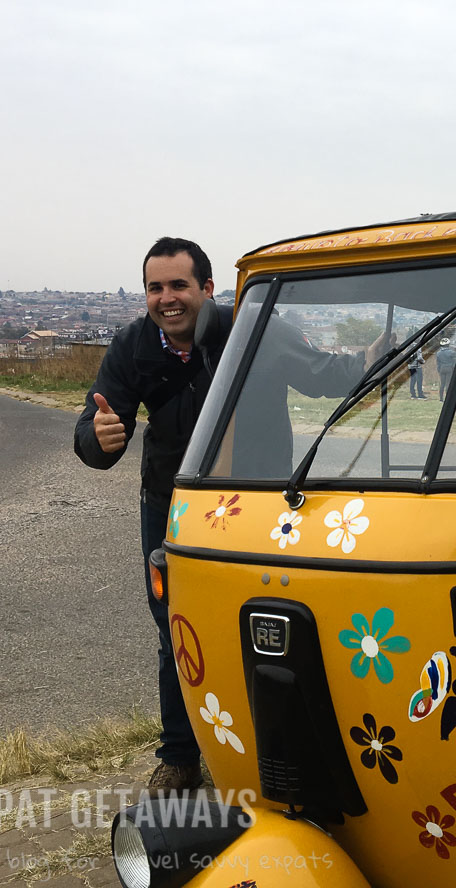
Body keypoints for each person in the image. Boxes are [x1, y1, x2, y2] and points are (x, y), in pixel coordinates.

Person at [74, 237, 384, 793]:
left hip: (260, 500)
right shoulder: (133, 346)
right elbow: (96, 429)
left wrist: (379, 355)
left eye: (178, 286)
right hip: (173, 505)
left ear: (208, 289)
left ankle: (275, 746)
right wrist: (99, 439)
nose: (166, 299)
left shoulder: (253, 329)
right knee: (178, 629)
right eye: (155, 288)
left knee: (272, 625)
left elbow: (327, 375)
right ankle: (179, 757)